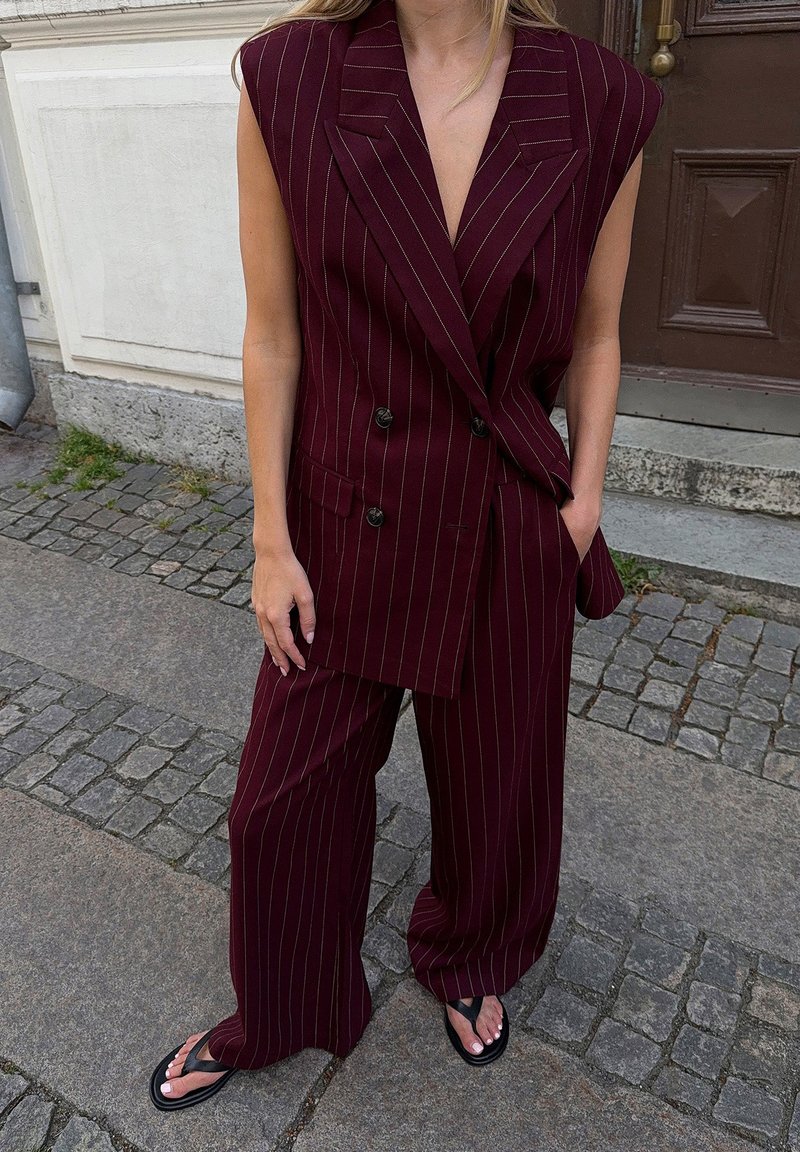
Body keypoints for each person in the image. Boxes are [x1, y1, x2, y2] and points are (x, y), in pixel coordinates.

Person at [149, 0, 663, 1109]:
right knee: (276, 807)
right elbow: (272, 332)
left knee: (497, 785)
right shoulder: (288, 76)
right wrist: (270, 538)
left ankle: (471, 953)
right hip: (346, 512)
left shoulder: (599, 98)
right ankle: (284, 1006)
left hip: (504, 512)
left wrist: (580, 503)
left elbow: (598, 329)